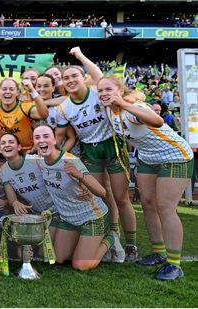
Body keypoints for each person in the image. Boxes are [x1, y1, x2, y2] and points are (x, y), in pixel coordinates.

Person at [98, 75, 193, 280]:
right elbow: (99, 77)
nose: (104, 94)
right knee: (148, 203)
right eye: (101, 91)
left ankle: (174, 264)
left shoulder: (134, 107)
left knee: (165, 206)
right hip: (148, 157)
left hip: (174, 155)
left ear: (121, 91)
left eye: (109, 90)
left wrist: (124, 102)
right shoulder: (108, 109)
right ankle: (159, 252)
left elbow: (157, 121)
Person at [55, 47, 135, 262]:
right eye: (66, 78)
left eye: (74, 76)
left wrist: (79, 56)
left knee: (121, 198)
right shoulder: (63, 108)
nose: (70, 80)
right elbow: (60, 137)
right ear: (62, 83)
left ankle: (131, 244)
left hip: (112, 146)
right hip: (90, 150)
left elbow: (101, 76)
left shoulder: (98, 93)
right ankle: (112, 235)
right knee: (100, 194)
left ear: (84, 78)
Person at [33, 125, 116, 271]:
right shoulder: (39, 161)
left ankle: (111, 239)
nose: (41, 140)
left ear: (55, 139)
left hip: (92, 217)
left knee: (80, 265)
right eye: (37, 137)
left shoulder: (70, 161)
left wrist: (80, 176)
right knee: (58, 258)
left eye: (46, 136)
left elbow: (102, 192)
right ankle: (84, 243)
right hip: (68, 219)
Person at [0, 78, 49, 151]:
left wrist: (32, 90)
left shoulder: (25, 107)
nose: (7, 92)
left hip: (28, 152)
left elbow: (44, 114)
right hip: (7, 151)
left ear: (17, 92)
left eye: (11, 89)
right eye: (4, 89)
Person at [0, 133, 54, 215]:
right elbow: (12, 199)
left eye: (11, 142)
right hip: (37, 213)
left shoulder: (35, 160)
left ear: (19, 147)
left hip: (57, 208)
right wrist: (15, 203)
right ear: (0, 149)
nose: (7, 145)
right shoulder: (3, 171)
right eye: (3, 143)